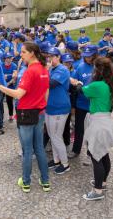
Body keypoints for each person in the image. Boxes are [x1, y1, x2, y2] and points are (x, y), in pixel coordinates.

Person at [0, 41, 50, 193]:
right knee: (39, 149)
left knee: (27, 150)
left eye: (23, 52)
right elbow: (46, 93)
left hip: (26, 113)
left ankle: (26, 181)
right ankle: (45, 181)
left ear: (32, 53)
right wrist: (41, 105)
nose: (21, 54)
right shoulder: (44, 68)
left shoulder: (30, 71)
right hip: (40, 112)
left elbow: (18, 94)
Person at [71, 57, 113, 201]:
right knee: (103, 154)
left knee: (95, 156)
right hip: (105, 121)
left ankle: (97, 191)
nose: (92, 71)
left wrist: (76, 82)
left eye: (94, 68)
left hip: (98, 123)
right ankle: (102, 183)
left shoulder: (97, 85)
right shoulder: (108, 84)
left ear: (99, 70)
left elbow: (81, 90)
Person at [45, 47, 71, 175]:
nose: (50, 58)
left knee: (56, 136)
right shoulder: (52, 69)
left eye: (53, 56)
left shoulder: (62, 69)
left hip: (60, 108)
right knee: (52, 135)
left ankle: (65, 164)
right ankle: (56, 160)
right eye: (49, 56)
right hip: (50, 107)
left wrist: (45, 70)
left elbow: (50, 83)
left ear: (58, 57)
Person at [71, 45, 98, 162]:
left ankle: (90, 153)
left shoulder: (99, 67)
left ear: (95, 55)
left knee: (92, 130)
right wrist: (76, 83)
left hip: (94, 104)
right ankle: (76, 150)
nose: (87, 58)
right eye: (86, 56)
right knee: (79, 128)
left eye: (90, 56)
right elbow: (73, 81)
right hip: (81, 103)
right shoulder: (80, 67)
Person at [2, 52, 17, 122]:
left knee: (9, 101)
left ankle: (11, 115)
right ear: (5, 59)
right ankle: (1, 116)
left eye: (10, 58)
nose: (10, 59)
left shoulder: (14, 65)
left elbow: (14, 78)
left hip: (10, 86)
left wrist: (7, 78)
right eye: (8, 58)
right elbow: (0, 76)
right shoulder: (1, 65)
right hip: (1, 85)